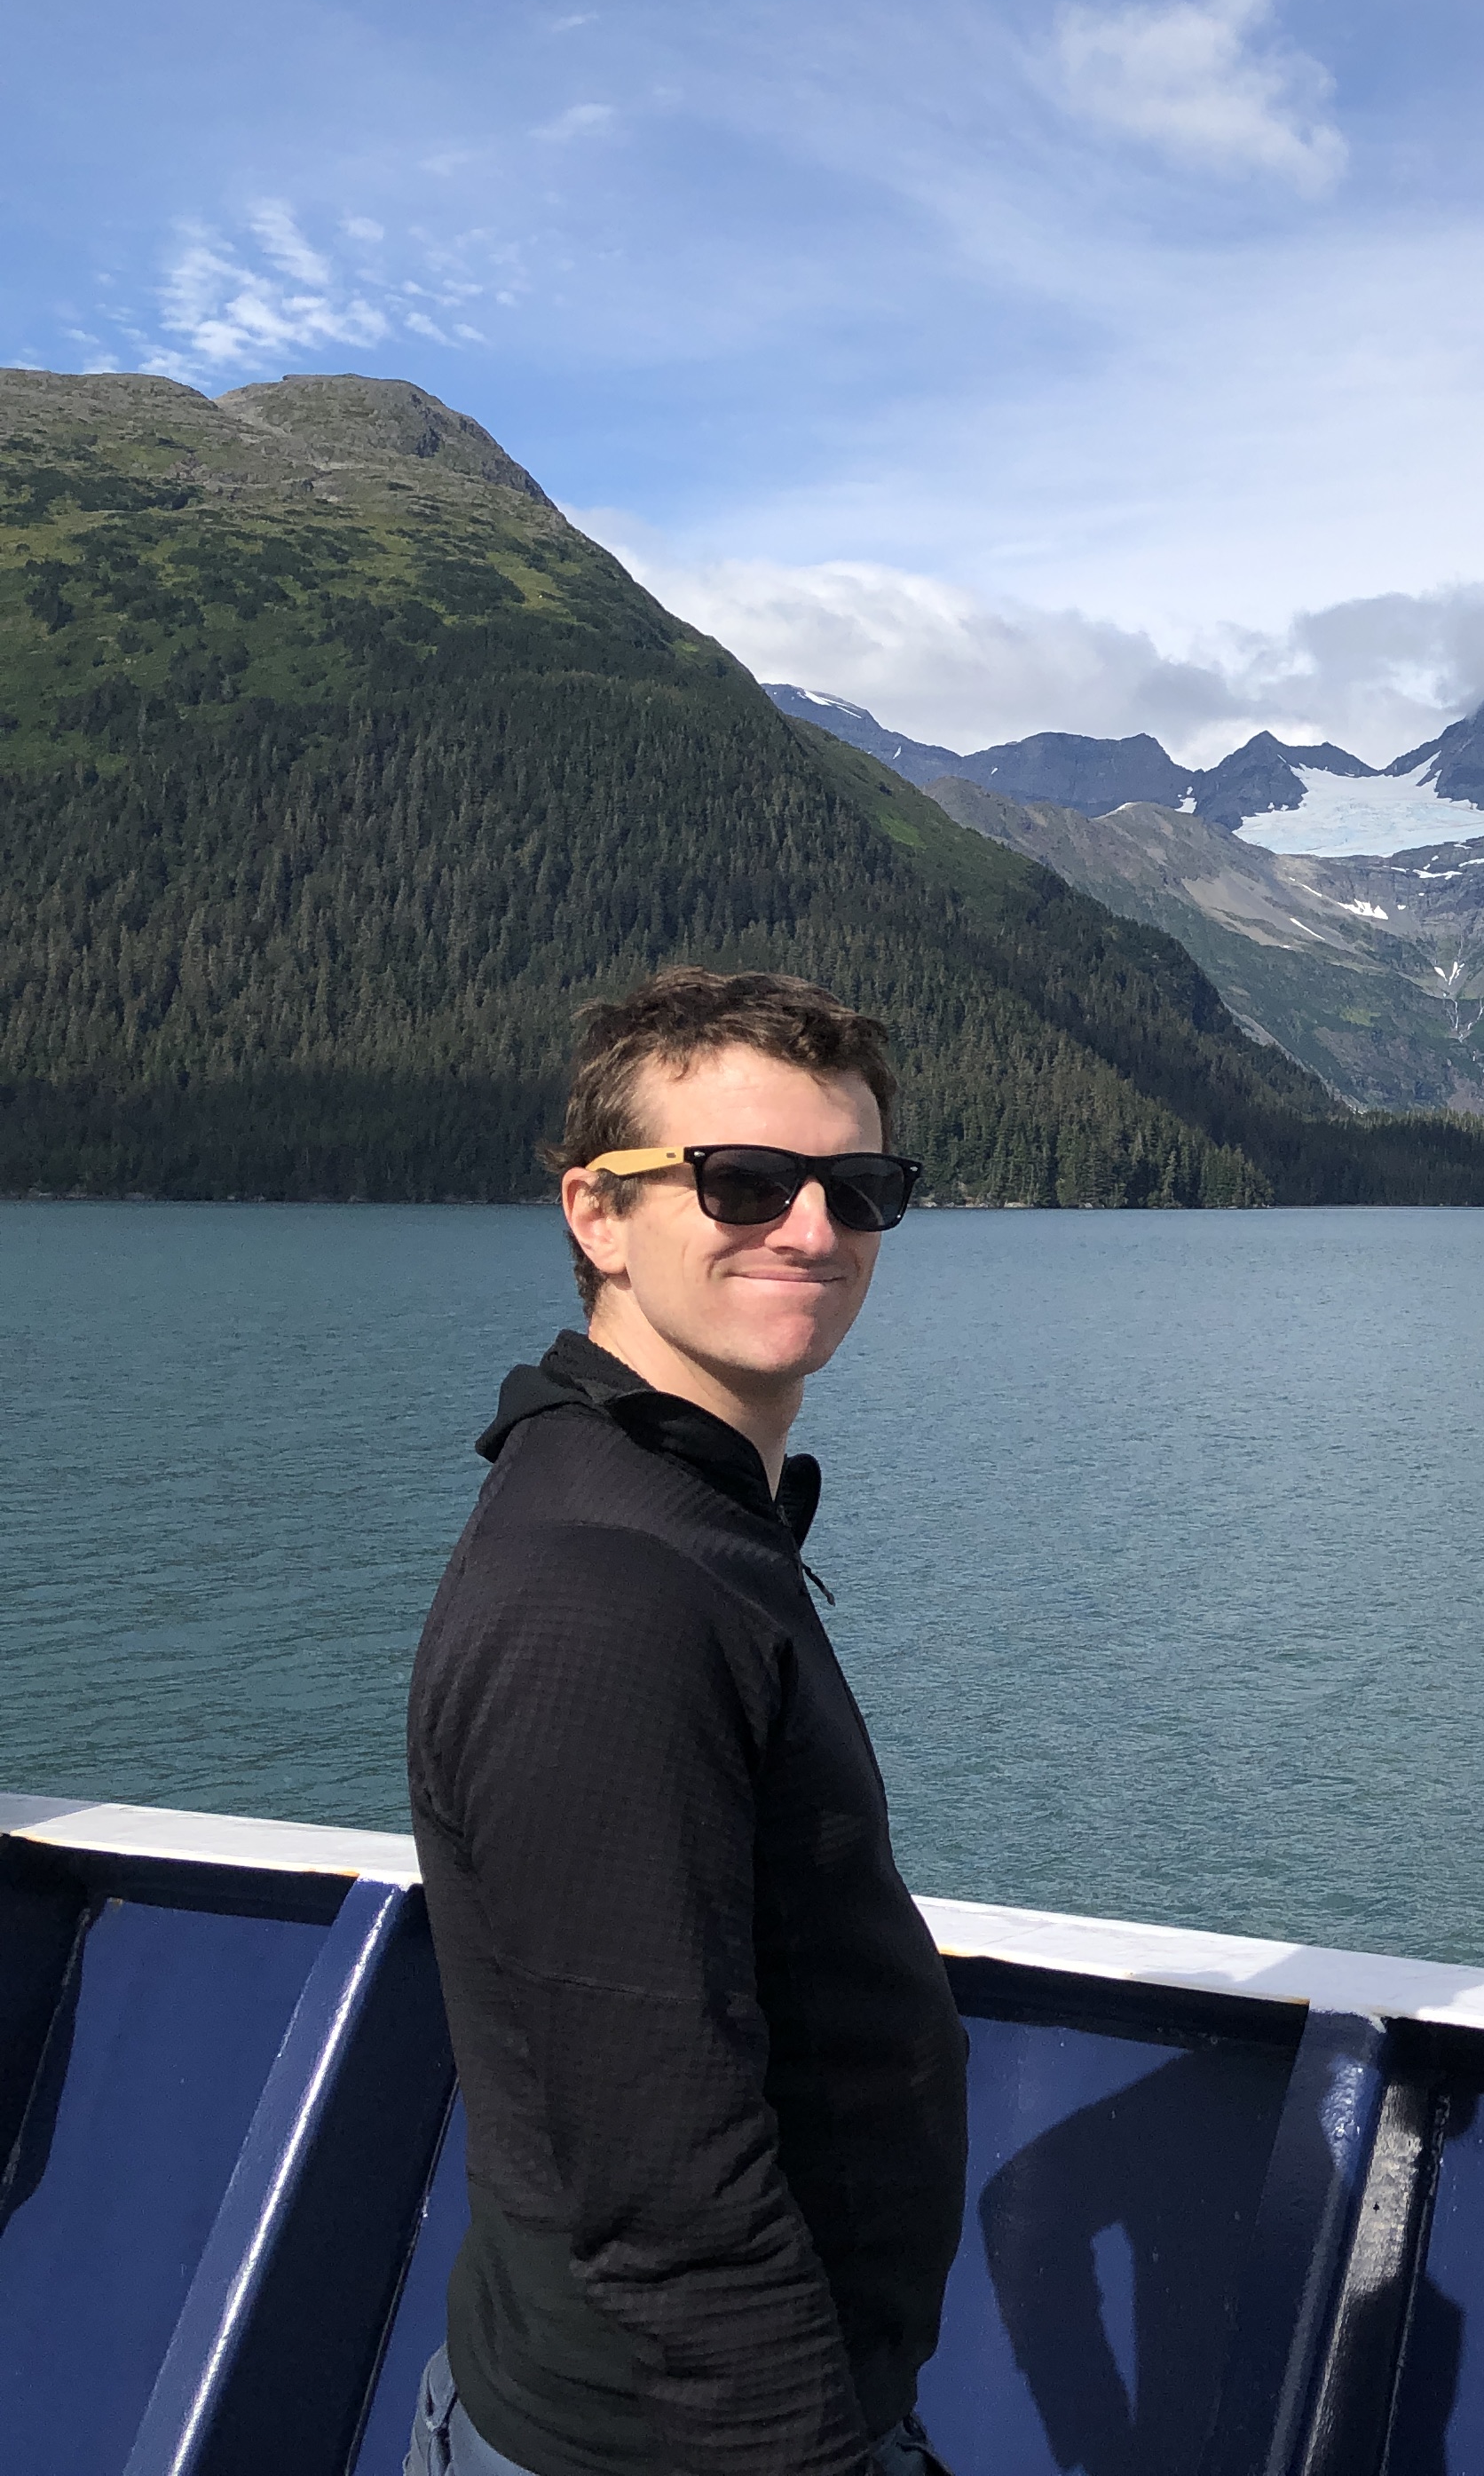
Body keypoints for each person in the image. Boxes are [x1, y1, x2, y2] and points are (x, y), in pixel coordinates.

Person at [406, 967, 967, 2476]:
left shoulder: (674, 1512)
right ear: (597, 1212)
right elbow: (661, 2180)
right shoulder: (613, 1597)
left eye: (858, 1190)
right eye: (743, 1181)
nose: (811, 1229)